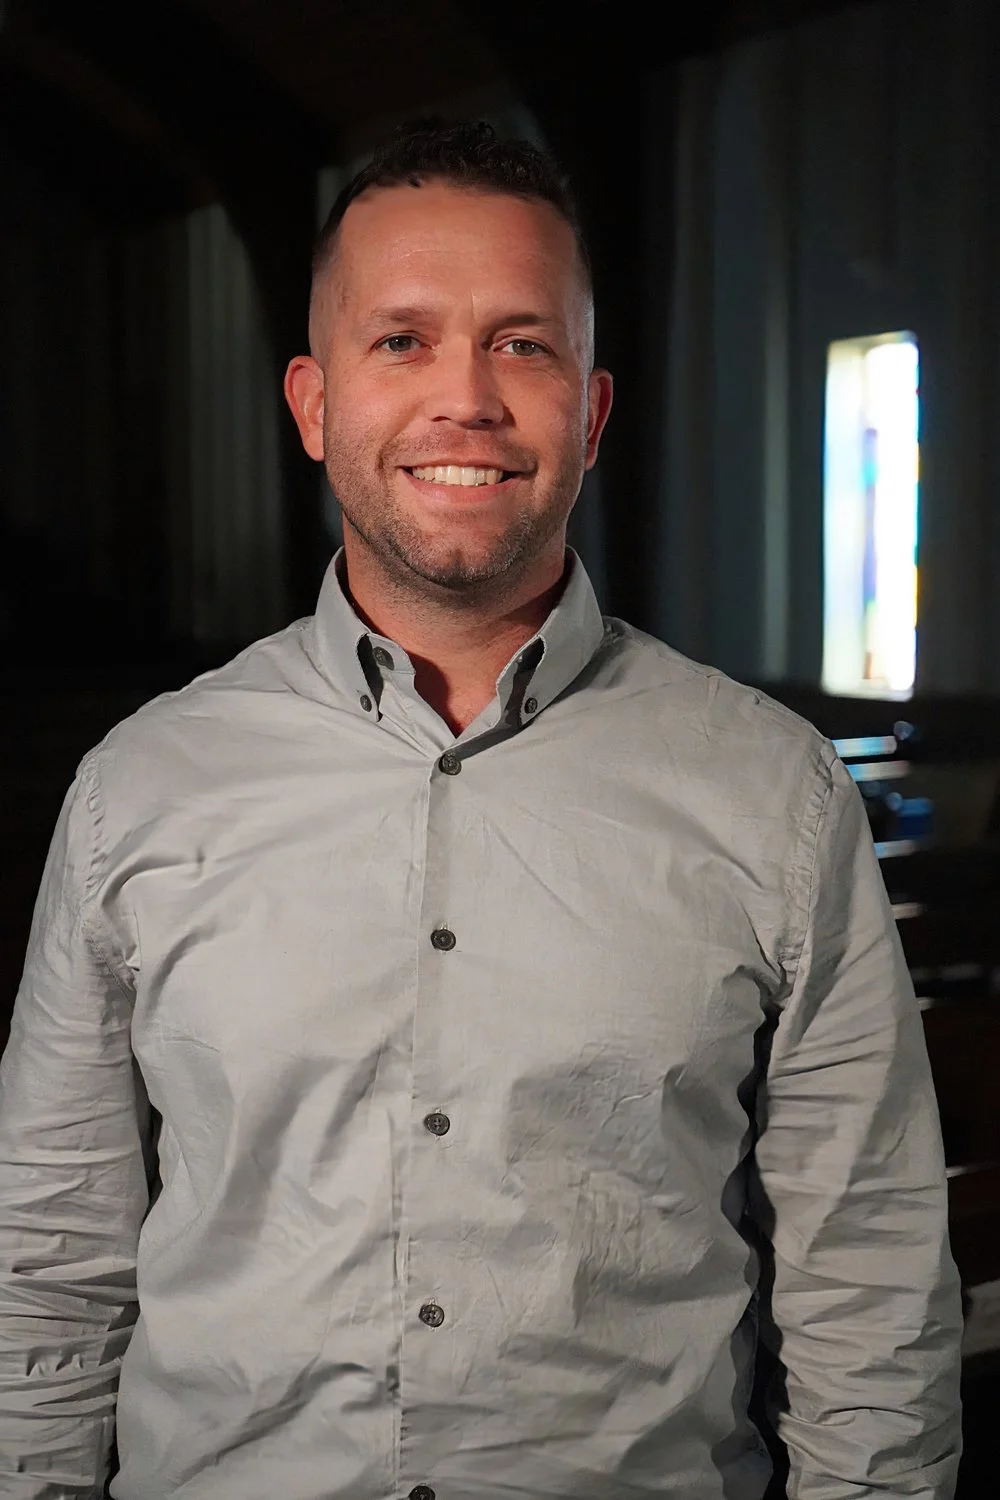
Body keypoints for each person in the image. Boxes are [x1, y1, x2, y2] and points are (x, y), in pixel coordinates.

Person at [0, 117, 962, 1500]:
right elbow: (48, 1261)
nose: (468, 397)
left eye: (524, 343)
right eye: (401, 340)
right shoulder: (139, 793)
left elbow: (868, 1278)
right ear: (314, 402)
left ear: (593, 407)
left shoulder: (773, 793)